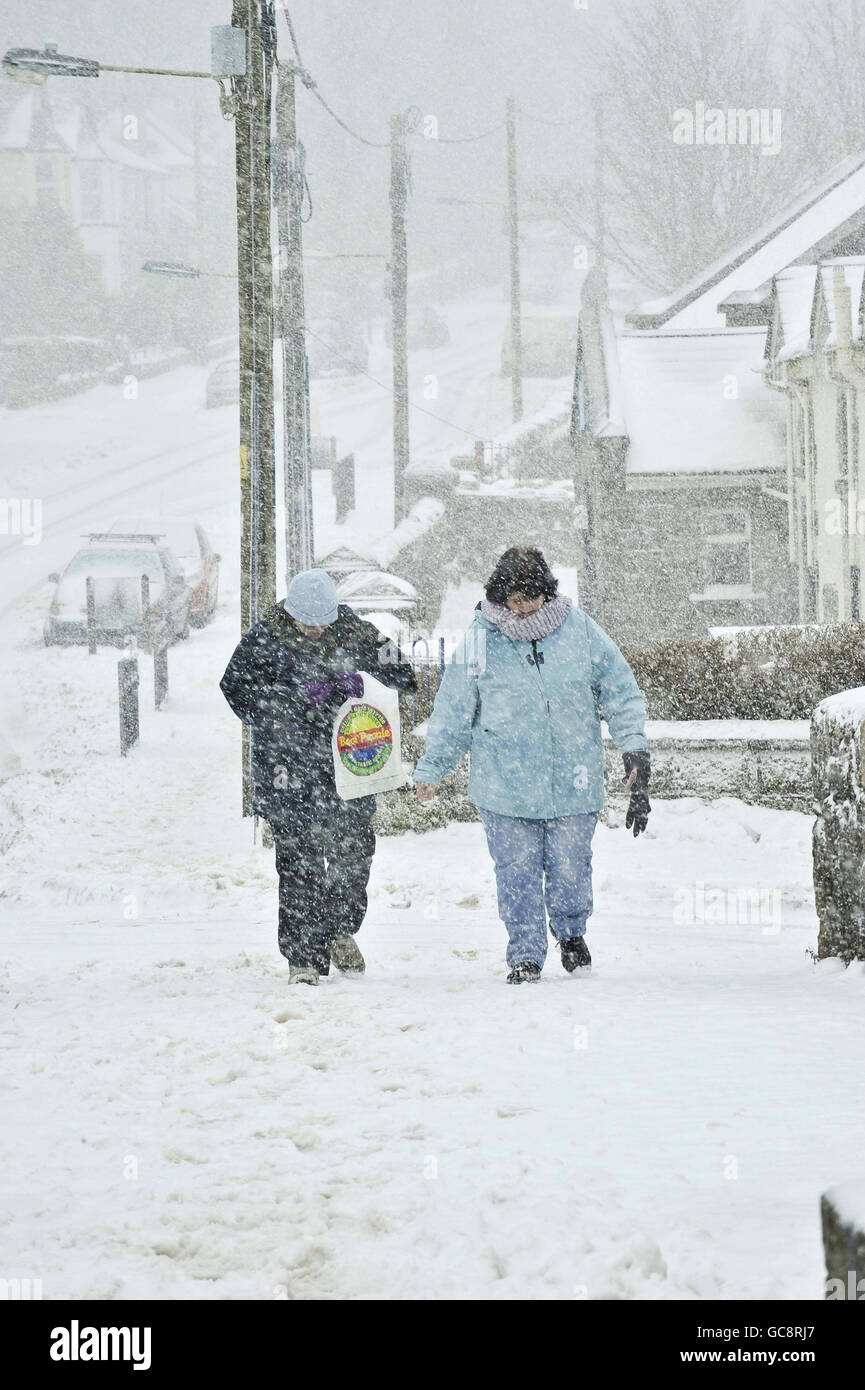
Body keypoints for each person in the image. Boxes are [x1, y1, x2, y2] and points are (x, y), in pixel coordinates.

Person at [413, 547, 650, 983]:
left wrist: (633, 745)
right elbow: (453, 710)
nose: (519, 608)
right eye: (511, 599)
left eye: (528, 598)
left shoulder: (580, 630)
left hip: (573, 780)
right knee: (516, 872)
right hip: (504, 783)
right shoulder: (482, 639)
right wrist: (431, 767)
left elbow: (620, 688)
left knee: (569, 864)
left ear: (546, 593)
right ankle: (525, 953)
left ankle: (572, 933)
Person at [220, 569, 416, 985]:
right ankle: (304, 959)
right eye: (305, 624)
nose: (313, 631)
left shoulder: (356, 633)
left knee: (352, 858)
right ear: (289, 614)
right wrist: (290, 701)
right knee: (298, 867)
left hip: (349, 770)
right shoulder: (264, 639)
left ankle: (340, 930)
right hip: (287, 771)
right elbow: (235, 688)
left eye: (321, 623)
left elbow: (405, 675)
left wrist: (363, 678)